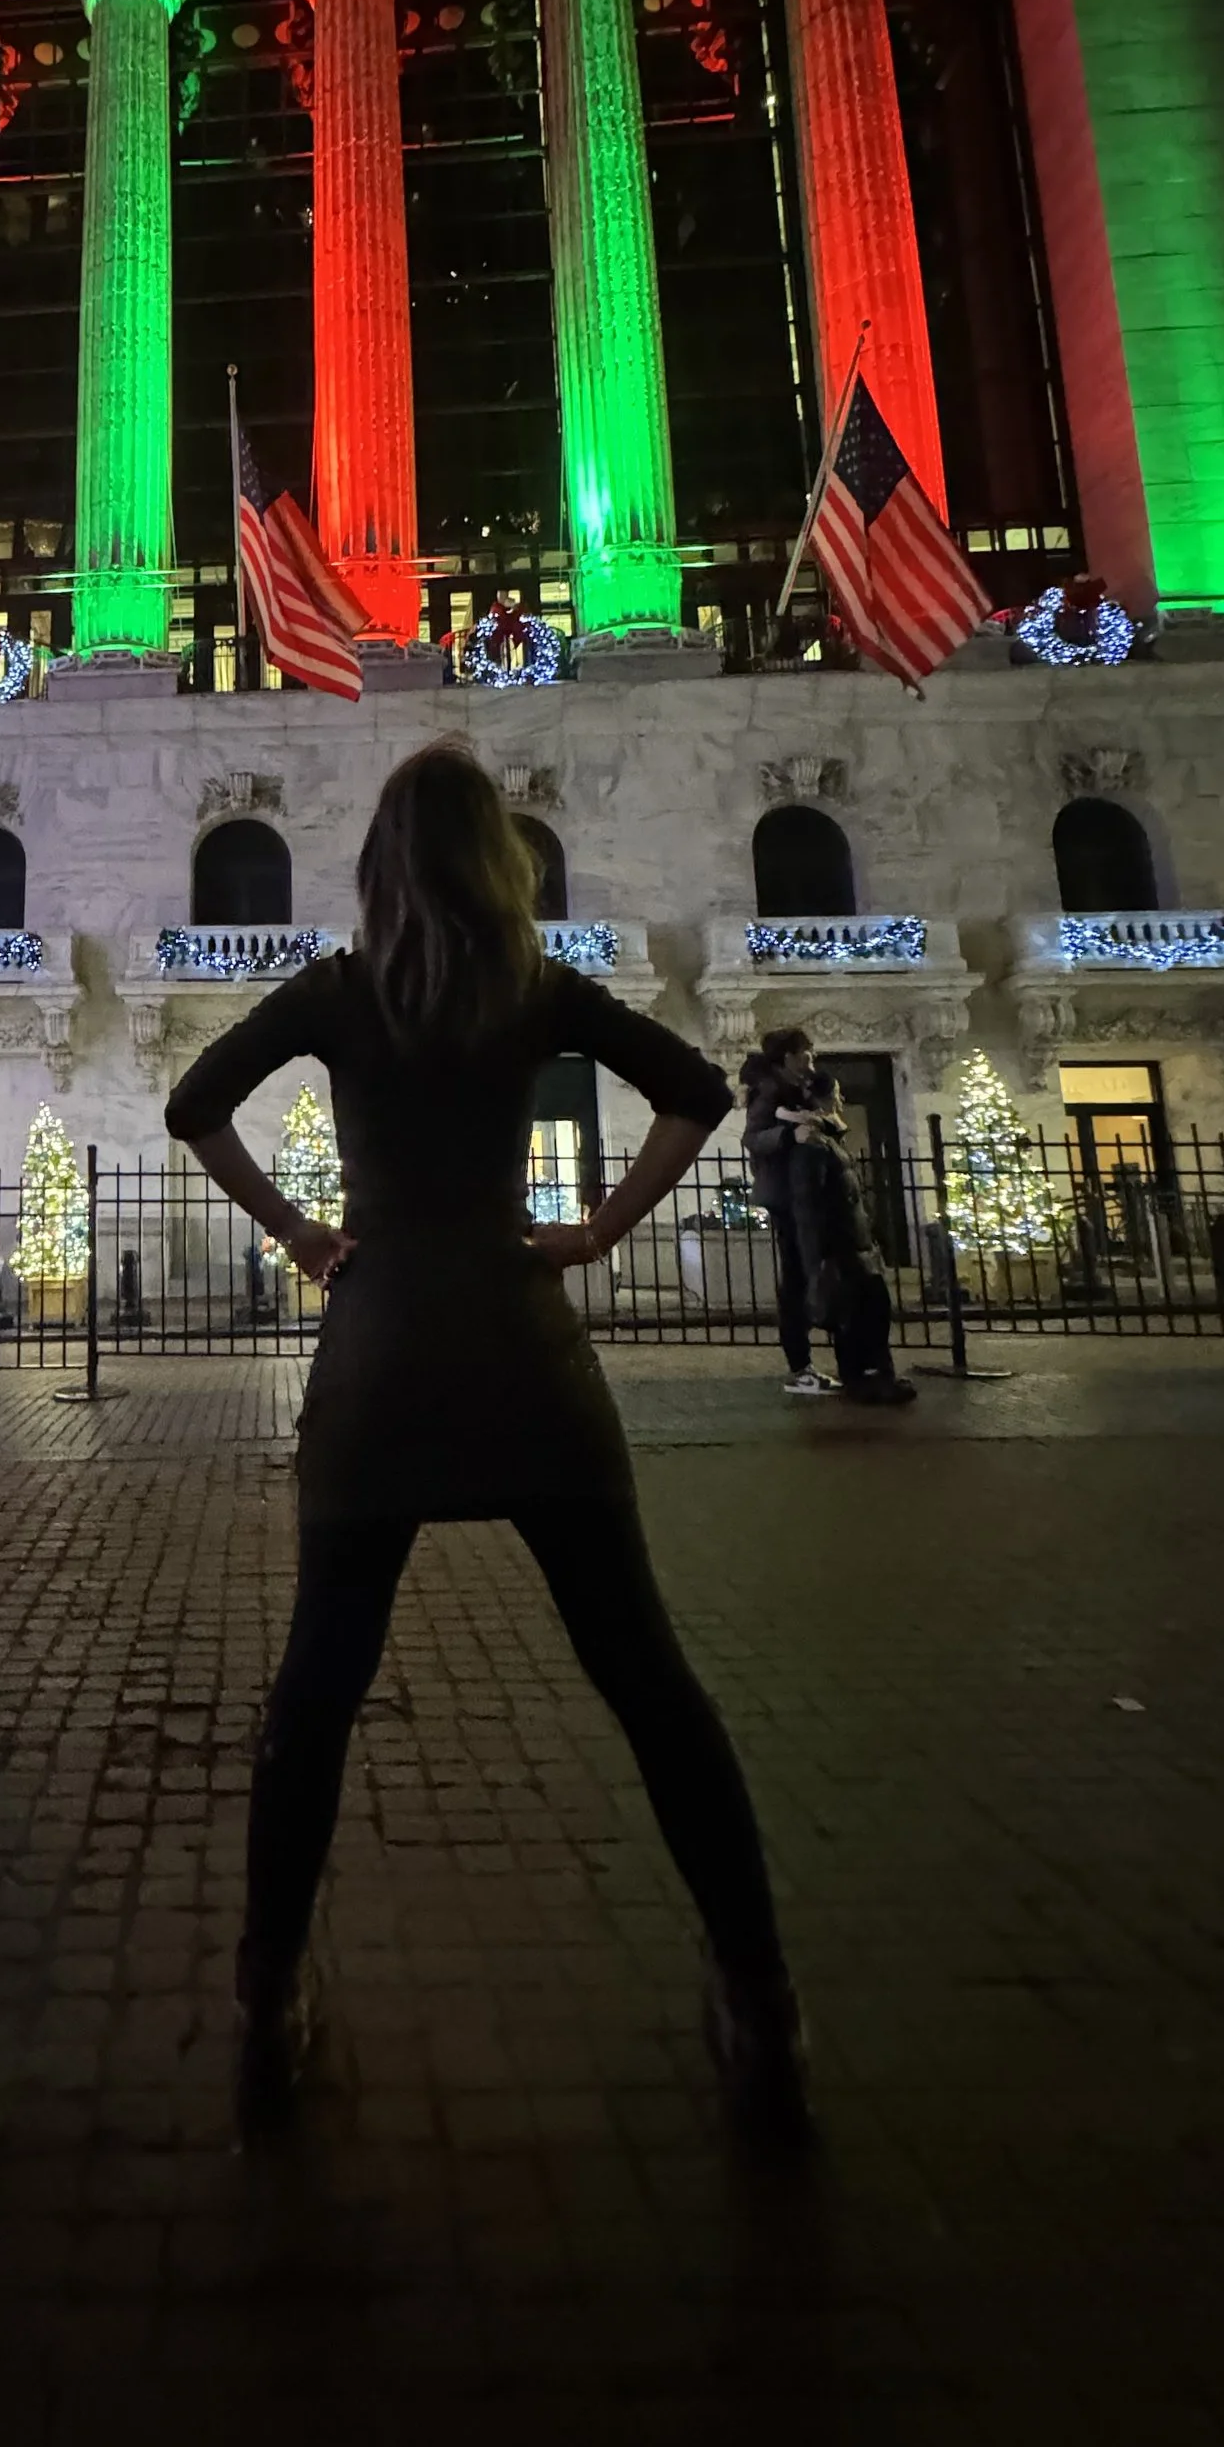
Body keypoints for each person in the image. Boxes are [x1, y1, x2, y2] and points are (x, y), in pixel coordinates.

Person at [167, 739, 809, 2142]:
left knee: (317, 1691)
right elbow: (696, 1091)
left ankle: (266, 1996)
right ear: (500, 865)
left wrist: (299, 1232)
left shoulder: (338, 995)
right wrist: (597, 1230)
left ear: (380, 867)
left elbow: (190, 1103)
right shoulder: (536, 990)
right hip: (524, 1348)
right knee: (647, 1679)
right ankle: (760, 1991)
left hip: (383, 1345)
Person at [788, 1098, 916, 1406]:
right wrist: (821, 1253)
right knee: (862, 1311)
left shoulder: (829, 1144)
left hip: (853, 1241)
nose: (840, 1102)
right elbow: (811, 1204)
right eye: (835, 1095)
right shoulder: (815, 1148)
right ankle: (869, 1378)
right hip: (842, 1244)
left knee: (868, 1309)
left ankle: (870, 1376)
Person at [741, 1026, 837, 1399]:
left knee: (817, 1270)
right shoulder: (770, 1091)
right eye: (805, 1055)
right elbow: (752, 1137)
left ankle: (820, 1359)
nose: (811, 1061)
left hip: (813, 1192)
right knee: (797, 1275)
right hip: (787, 1196)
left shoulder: (807, 1088)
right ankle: (800, 1365)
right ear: (788, 1058)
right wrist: (788, 1136)